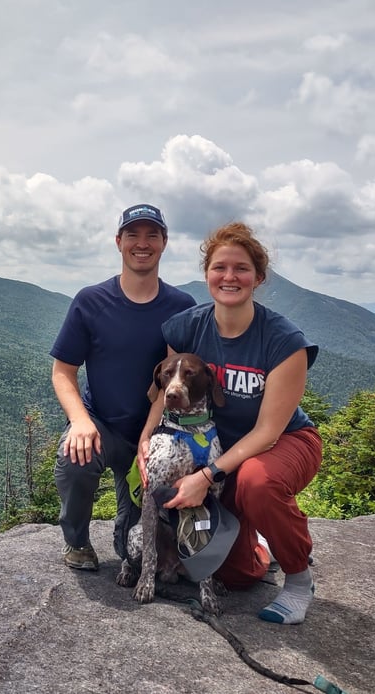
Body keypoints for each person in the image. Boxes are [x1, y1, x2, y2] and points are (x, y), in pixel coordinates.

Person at [140, 221, 322, 624]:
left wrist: (205, 476)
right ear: (207, 274)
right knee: (234, 574)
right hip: (221, 448)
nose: (229, 277)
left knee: (259, 482)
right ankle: (261, 543)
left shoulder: (283, 340)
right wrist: (147, 437)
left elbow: (268, 431)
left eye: (241, 268)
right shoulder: (189, 326)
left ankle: (297, 579)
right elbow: (168, 391)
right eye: (219, 267)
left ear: (258, 277)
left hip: (280, 444)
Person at [51, 204, 196, 571]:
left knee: (131, 549)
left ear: (164, 243)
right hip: (104, 426)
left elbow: (173, 386)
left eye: (152, 235)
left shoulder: (181, 308)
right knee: (75, 456)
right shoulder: (91, 301)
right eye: (133, 235)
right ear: (119, 242)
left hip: (156, 434)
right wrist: (81, 423)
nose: (142, 243)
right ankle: (77, 543)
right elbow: (63, 372)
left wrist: (148, 438)